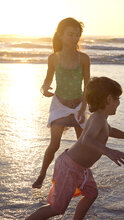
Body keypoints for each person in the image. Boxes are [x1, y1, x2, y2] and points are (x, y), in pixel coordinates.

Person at [9, 77, 124, 220]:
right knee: (57, 208)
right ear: (109, 99)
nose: (118, 103)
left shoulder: (101, 119)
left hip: (81, 169)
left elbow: (110, 131)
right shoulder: (96, 118)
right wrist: (108, 151)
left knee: (91, 194)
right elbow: (87, 140)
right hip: (69, 167)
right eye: (117, 99)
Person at [32, 17, 91, 189]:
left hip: (79, 105)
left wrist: (84, 108)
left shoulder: (84, 59)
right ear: (61, 36)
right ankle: (42, 174)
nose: (74, 38)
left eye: (77, 35)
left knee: (83, 145)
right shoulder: (53, 58)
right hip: (60, 106)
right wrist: (44, 89)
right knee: (54, 145)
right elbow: (46, 81)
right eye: (70, 34)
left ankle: (83, 177)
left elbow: (87, 85)